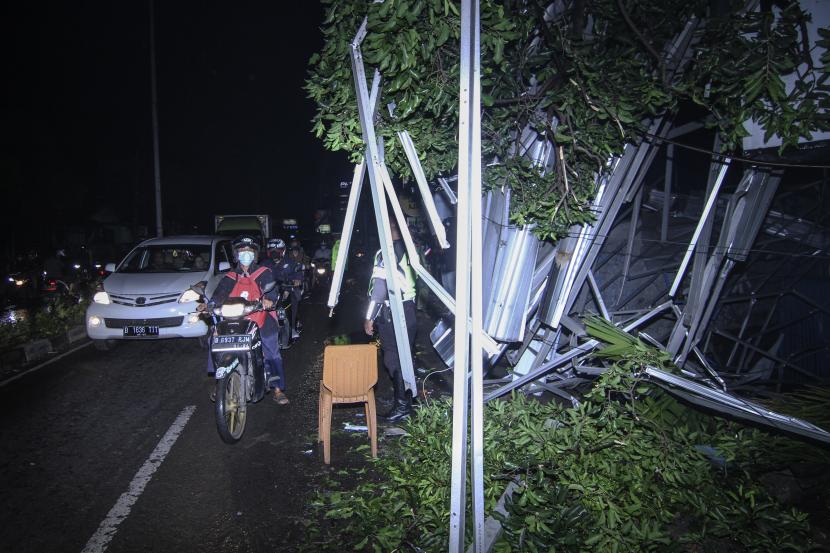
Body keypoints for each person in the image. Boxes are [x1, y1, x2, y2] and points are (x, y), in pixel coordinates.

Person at [207, 235, 289, 404]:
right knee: (214, 338)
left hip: (260, 317)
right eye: (242, 251)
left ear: (255, 254)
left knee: (270, 344)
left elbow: (272, 291)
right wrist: (210, 305)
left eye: (249, 251)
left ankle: (278, 388)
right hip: (234, 319)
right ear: (236, 255)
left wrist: (269, 300)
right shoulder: (230, 277)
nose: (246, 254)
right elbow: (219, 295)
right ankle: (220, 380)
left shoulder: (263, 273)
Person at [363, 220, 417, 423]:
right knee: (406, 356)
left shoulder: (385, 253)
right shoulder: (409, 251)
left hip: (393, 312)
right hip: (409, 309)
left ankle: (402, 406)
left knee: (392, 358)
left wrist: (369, 317)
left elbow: (379, 290)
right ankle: (405, 397)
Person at [262, 238, 304, 341]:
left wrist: (297, 279)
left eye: (276, 251)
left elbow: (298, 272)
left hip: (287, 289)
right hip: (269, 291)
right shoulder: (264, 264)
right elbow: (257, 276)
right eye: (271, 251)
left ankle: (292, 327)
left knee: (293, 300)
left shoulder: (290, 263)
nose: (274, 253)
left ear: (283, 251)